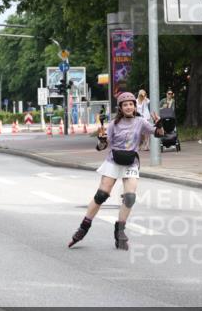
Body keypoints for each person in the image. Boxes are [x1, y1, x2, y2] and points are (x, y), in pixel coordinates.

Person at [68, 92, 164, 250]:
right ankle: (83, 227)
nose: (128, 107)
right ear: (120, 108)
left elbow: (159, 134)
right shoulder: (113, 124)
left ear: (134, 106)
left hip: (131, 162)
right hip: (113, 161)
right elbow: (101, 147)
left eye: (131, 104)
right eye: (125, 105)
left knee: (130, 197)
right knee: (101, 195)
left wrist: (159, 124)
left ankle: (120, 231)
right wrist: (101, 141)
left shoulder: (140, 121)